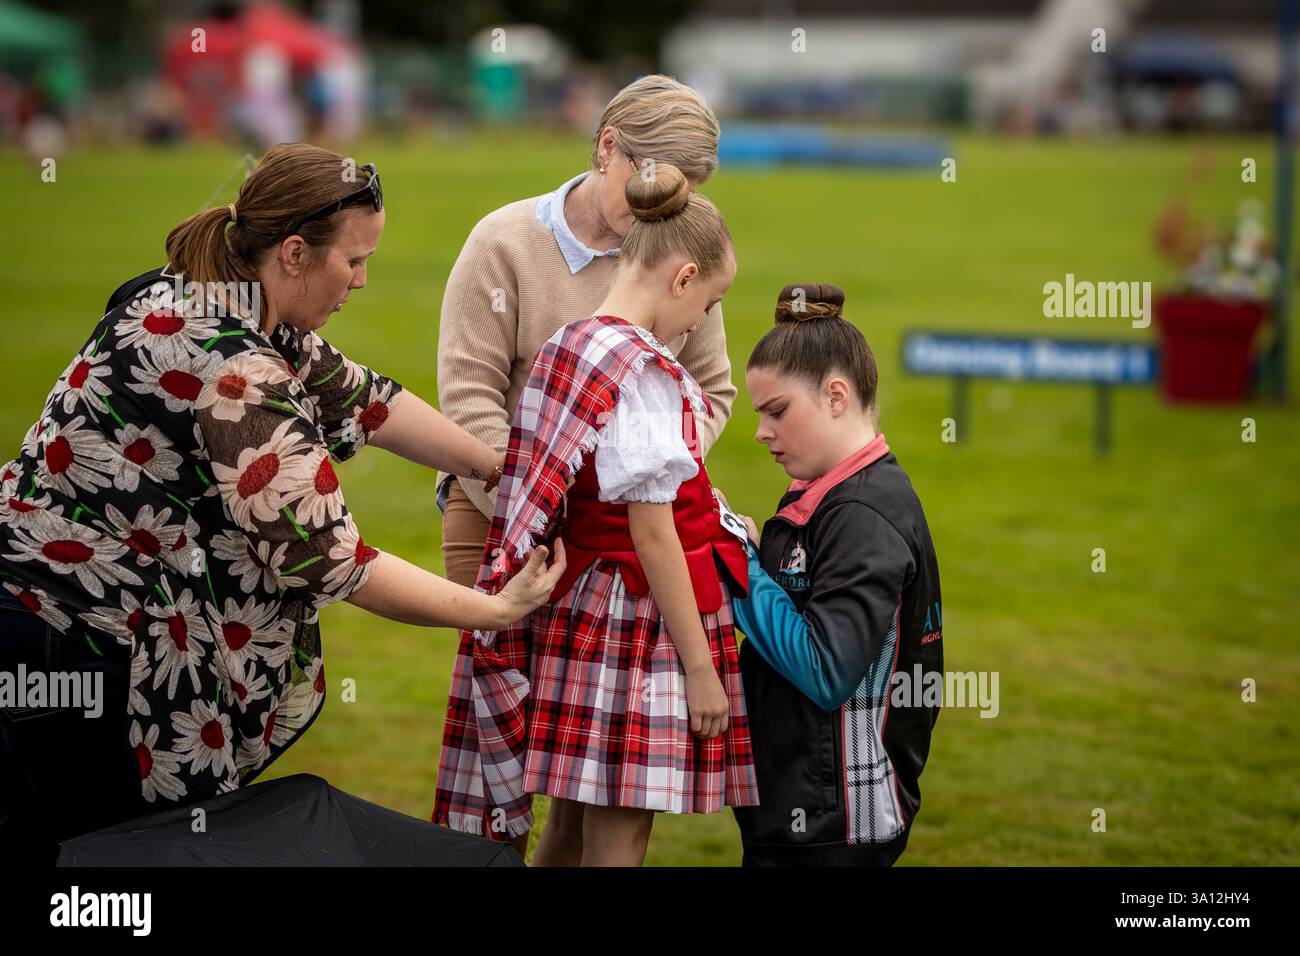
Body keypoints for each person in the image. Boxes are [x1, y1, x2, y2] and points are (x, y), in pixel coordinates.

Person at [0, 143, 564, 864]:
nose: (361, 281)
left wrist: (499, 467)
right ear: (294, 252)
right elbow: (334, 564)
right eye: (353, 262)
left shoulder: (189, 291)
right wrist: (494, 609)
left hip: (32, 609)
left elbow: (367, 402)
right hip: (76, 637)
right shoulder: (243, 378)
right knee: (109, 859)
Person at [433, 164, 757, 866]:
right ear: (682, 277)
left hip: (581, 609)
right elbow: (651, 528)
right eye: (709, 299)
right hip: (634, 622)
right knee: (622, 826)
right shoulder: (641, 372)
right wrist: (700, 671)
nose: (702, 319)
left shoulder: (573, 342)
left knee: (574, 813)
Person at [435, 74, 736, 589]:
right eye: (649, 182)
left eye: (678, 195)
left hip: (632, 526)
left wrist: (649, 479)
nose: (657, 208)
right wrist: (540, 506)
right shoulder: (503, 242)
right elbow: (469, 398)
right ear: (608, 146)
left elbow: (711, 390)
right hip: (498, 514)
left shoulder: (680, 255)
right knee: (501, 670)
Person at [726, 283, 944, 867]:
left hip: (834, 823)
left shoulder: (861, 516)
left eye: (777, 411)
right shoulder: (832, 496)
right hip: (806, 808)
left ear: (837, 396)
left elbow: (826, 670)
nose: (761, 432)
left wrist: (737, 570)